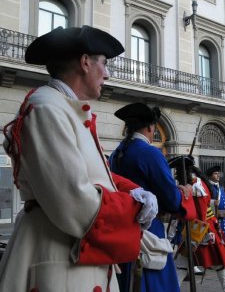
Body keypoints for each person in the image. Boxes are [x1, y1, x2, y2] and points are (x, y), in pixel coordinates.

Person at [0, 26, 158, 292]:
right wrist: (132, 206)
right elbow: (74, 199)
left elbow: (92, 172)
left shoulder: (63, 108)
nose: (107, 73)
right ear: (85, 62)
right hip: (58, 256)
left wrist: (134, 190)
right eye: (104, 63)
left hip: (73, 255)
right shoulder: (48, 107)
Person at [109, 103, 196, 292]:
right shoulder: (150, 152)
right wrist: (184, 190)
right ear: (151, 127)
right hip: (148, 231)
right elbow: (172, 199)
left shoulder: (116, 154)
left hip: (121, 231)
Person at [170, 160, 225, 292]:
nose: (177, 176)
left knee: (218, 263)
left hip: (202, 229)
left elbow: (201, 212)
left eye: (178, 173)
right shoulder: (196, 183)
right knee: (181, 264)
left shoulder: (196, 186)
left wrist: (196, 238)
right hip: (199, 227)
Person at [207, 166, 225, 236]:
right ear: (210, 176)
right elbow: (205, 203)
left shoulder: (221, 188)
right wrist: (213, 203)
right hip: (213, 219)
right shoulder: (208, 187)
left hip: (223, 220)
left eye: (218, 173)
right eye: (215, 173)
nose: (218, 175)